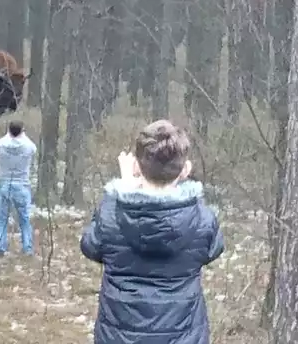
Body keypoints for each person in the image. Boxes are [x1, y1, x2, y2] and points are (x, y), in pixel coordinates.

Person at [80, 119, 224, 344]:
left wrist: (123, 192)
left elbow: (91, 246)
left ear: (136, 166)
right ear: (185, 169)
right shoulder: (202, 219)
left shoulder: (111, 214)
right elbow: (213, 249)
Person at [0, 120, 37, 256]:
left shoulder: (1, 145)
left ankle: (1, 246)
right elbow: (33, 148)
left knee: (2, 219)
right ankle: (28, 248)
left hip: (4, 184)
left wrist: (9, 134)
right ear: (22, 131)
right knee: (24, 219)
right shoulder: (29, 146)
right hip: (22, 185)